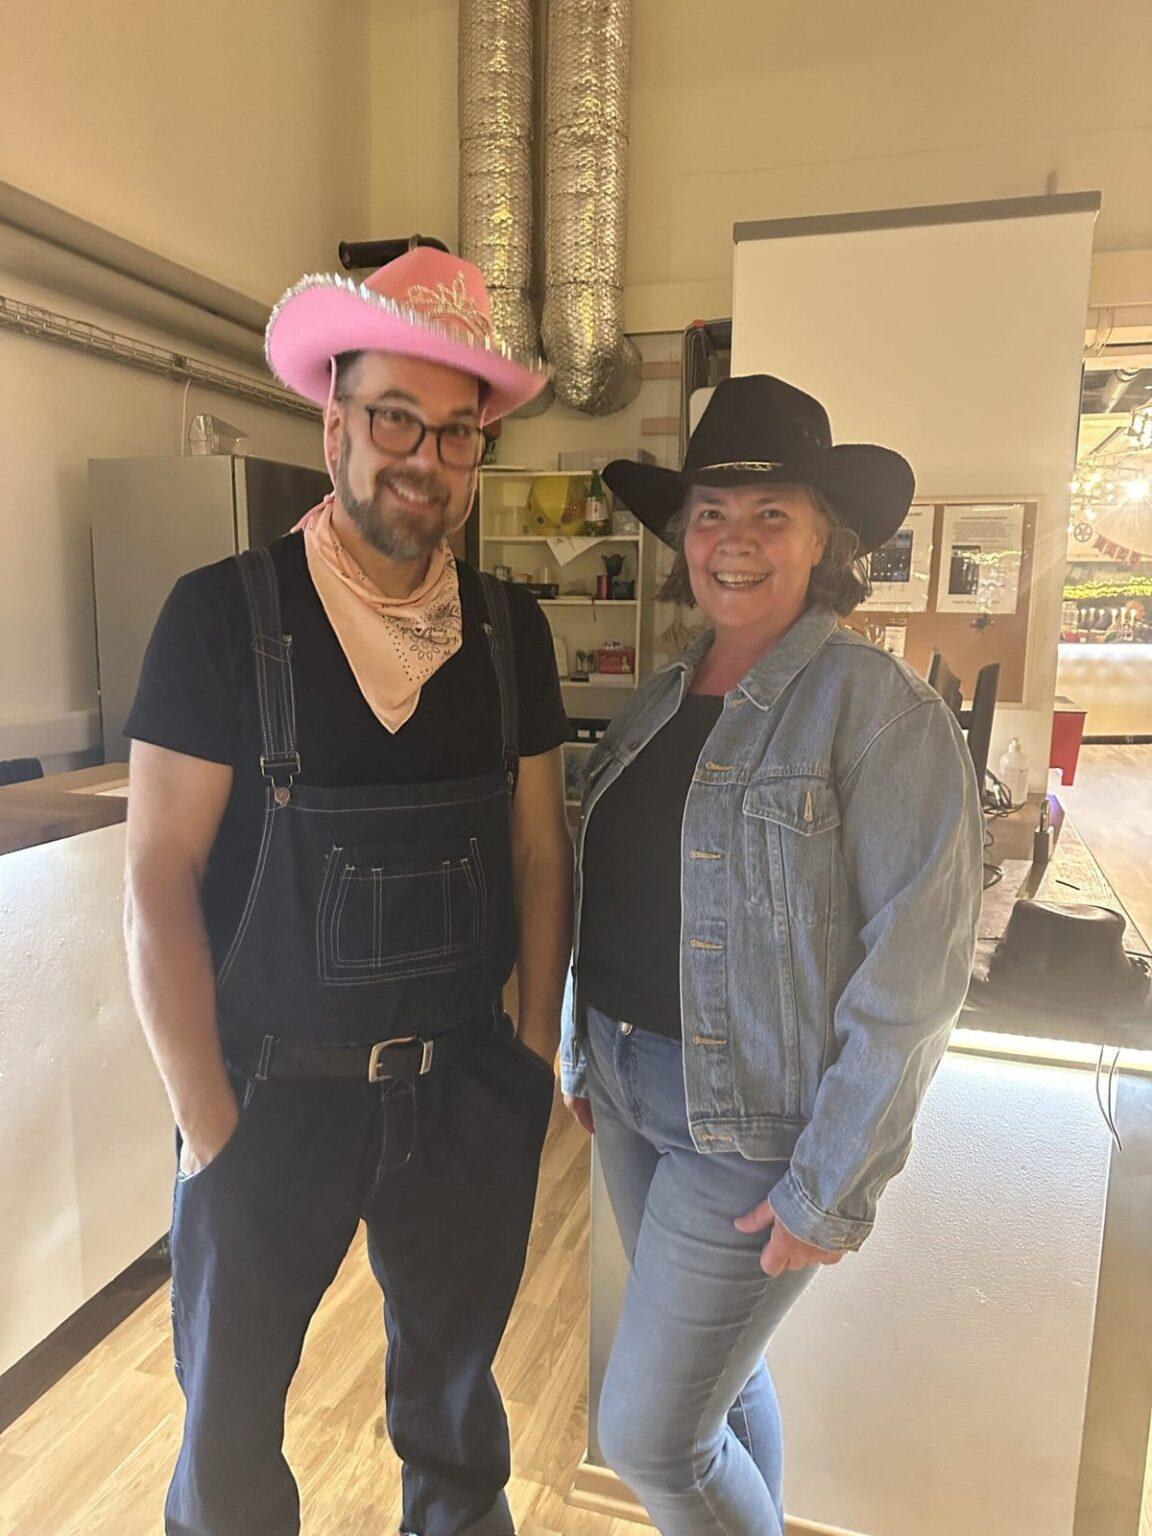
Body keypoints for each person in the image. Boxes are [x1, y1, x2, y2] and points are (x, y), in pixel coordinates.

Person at [124, 248, 573, 1536]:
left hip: (463, 1093)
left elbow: (542, 854)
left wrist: (532, 1059)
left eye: (456, 431)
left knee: (457, 1417)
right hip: (268, 1101)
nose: (424, 458)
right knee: (228, 1436)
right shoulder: (219, 619)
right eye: (394, 419)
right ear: (334, 425)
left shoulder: (511, 633)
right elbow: (156, 879)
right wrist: (210, 1124)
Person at [560, 375, 984, 1536]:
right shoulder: (655, 700)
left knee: (651, 1435)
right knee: (723, 1380)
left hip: (748, 1132)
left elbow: (914, 982)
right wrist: (586, 1055)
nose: (733, 541)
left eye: (770, 515)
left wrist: (829, 1182)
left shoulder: (881, 713)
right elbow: (612, 895)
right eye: (710, 513)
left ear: (823, 540)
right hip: (632, 1097)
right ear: (682, 537)